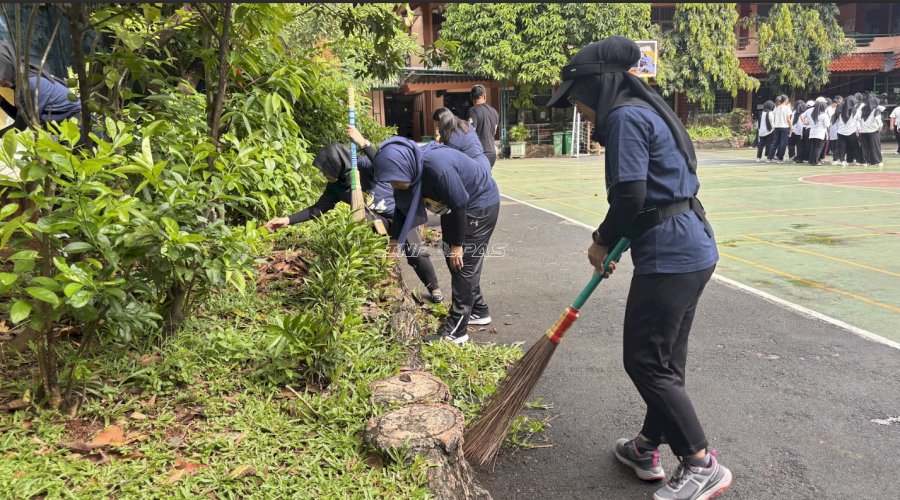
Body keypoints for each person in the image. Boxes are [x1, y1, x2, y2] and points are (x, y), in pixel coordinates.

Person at [547, 36, 730, 500]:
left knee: (645, 361)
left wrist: (602, 241)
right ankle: (647, 446)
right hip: (691, 245)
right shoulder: (647, 110)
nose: (580, 113)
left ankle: (700, 462)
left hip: (672, 255)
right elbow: (650, 198)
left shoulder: (626, 118)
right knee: (665, 360)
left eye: (576, 101)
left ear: (596, 88)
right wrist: (619, 244)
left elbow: (630, 196)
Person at [265, 140, 444, 303]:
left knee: (416, 254)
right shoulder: (335, 188)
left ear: (336, 164)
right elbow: (317, 209)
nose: (323, 174)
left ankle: (434, 288)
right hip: (376, 223)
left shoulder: (363, 166)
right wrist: (287, 220)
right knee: (369, 246)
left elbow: (384, 163)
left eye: (325, 170)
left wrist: (364, 143)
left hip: (399, 213)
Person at [365, 134, 501, 344]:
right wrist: (394, 243)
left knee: (463, 265)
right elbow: (402, 210)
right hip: (452, 208)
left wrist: (457, 245)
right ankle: (479, 310)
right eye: (391, 181)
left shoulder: (437, 167)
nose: (395, 185)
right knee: (453, 261)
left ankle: (457, 331)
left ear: (404, 167)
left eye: (396, 180)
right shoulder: (406, 170)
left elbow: (460, 204)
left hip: (478, 205)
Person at [0, 41, 82, 138]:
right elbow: (24, 118)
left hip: (79, 127)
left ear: (8, 66)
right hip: (68, 130)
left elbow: (20, 126)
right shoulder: (24, 79)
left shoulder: (28, 85)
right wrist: (2, 101)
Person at [433, 107, 492, 172]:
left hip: (473, 170)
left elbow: (445, 162)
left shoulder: (452, 141)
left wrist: (438, 143)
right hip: (484, 164)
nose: (437, 129)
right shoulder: (465, 125)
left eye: (438, 126)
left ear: (443, 124)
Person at [467, 85, 500, 168]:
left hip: (479, 153)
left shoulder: (473, 111)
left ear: (471, 97)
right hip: (492, 152)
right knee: (486, 177)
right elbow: (494, 131)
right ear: (485, 96)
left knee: (477, 179)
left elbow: (470, 131)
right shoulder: (494, 112)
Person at [857, 94, 885, 167]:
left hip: (863, 131)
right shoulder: (876, 110)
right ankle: (876, 161)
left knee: (864, 147)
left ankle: (864, 162)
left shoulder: (863, 109)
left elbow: (858, 119)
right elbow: (878, 120)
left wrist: (860, 128)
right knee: (875, 147)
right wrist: (880, 126)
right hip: (873, 131)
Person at [837, 95, 861, 167]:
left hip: (840, 132)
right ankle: (858, 160)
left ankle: (842, 161)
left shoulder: (840, 110)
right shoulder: (855, 111)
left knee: (842, 147)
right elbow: (859, 119)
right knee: (855, 147)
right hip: (851, 132)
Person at [768, 95, 791, 162]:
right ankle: (780, 158)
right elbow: (788, 119)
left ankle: (769, 157)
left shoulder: (776, 108)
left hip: (777, 127)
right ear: (786, 100)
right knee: (783, 143)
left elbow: (773, 116)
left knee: (775, 143)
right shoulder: (787, 108)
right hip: (784, 127)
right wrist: (791, 127)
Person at [807, 101, 829, 166]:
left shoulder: (812, 114)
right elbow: (827, 125)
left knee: (813, 147)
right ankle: (816, 161)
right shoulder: (824, 115)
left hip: (812, 133)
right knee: (818, 148)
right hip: (820, 133)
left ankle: (811, 161)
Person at [829, 96, 843, 165]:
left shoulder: (834, 114)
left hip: (834, 132)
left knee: (835, 146)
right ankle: (836, 159)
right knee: (837, 146)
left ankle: (835, 159)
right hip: (838, 132)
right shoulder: (839, 114)